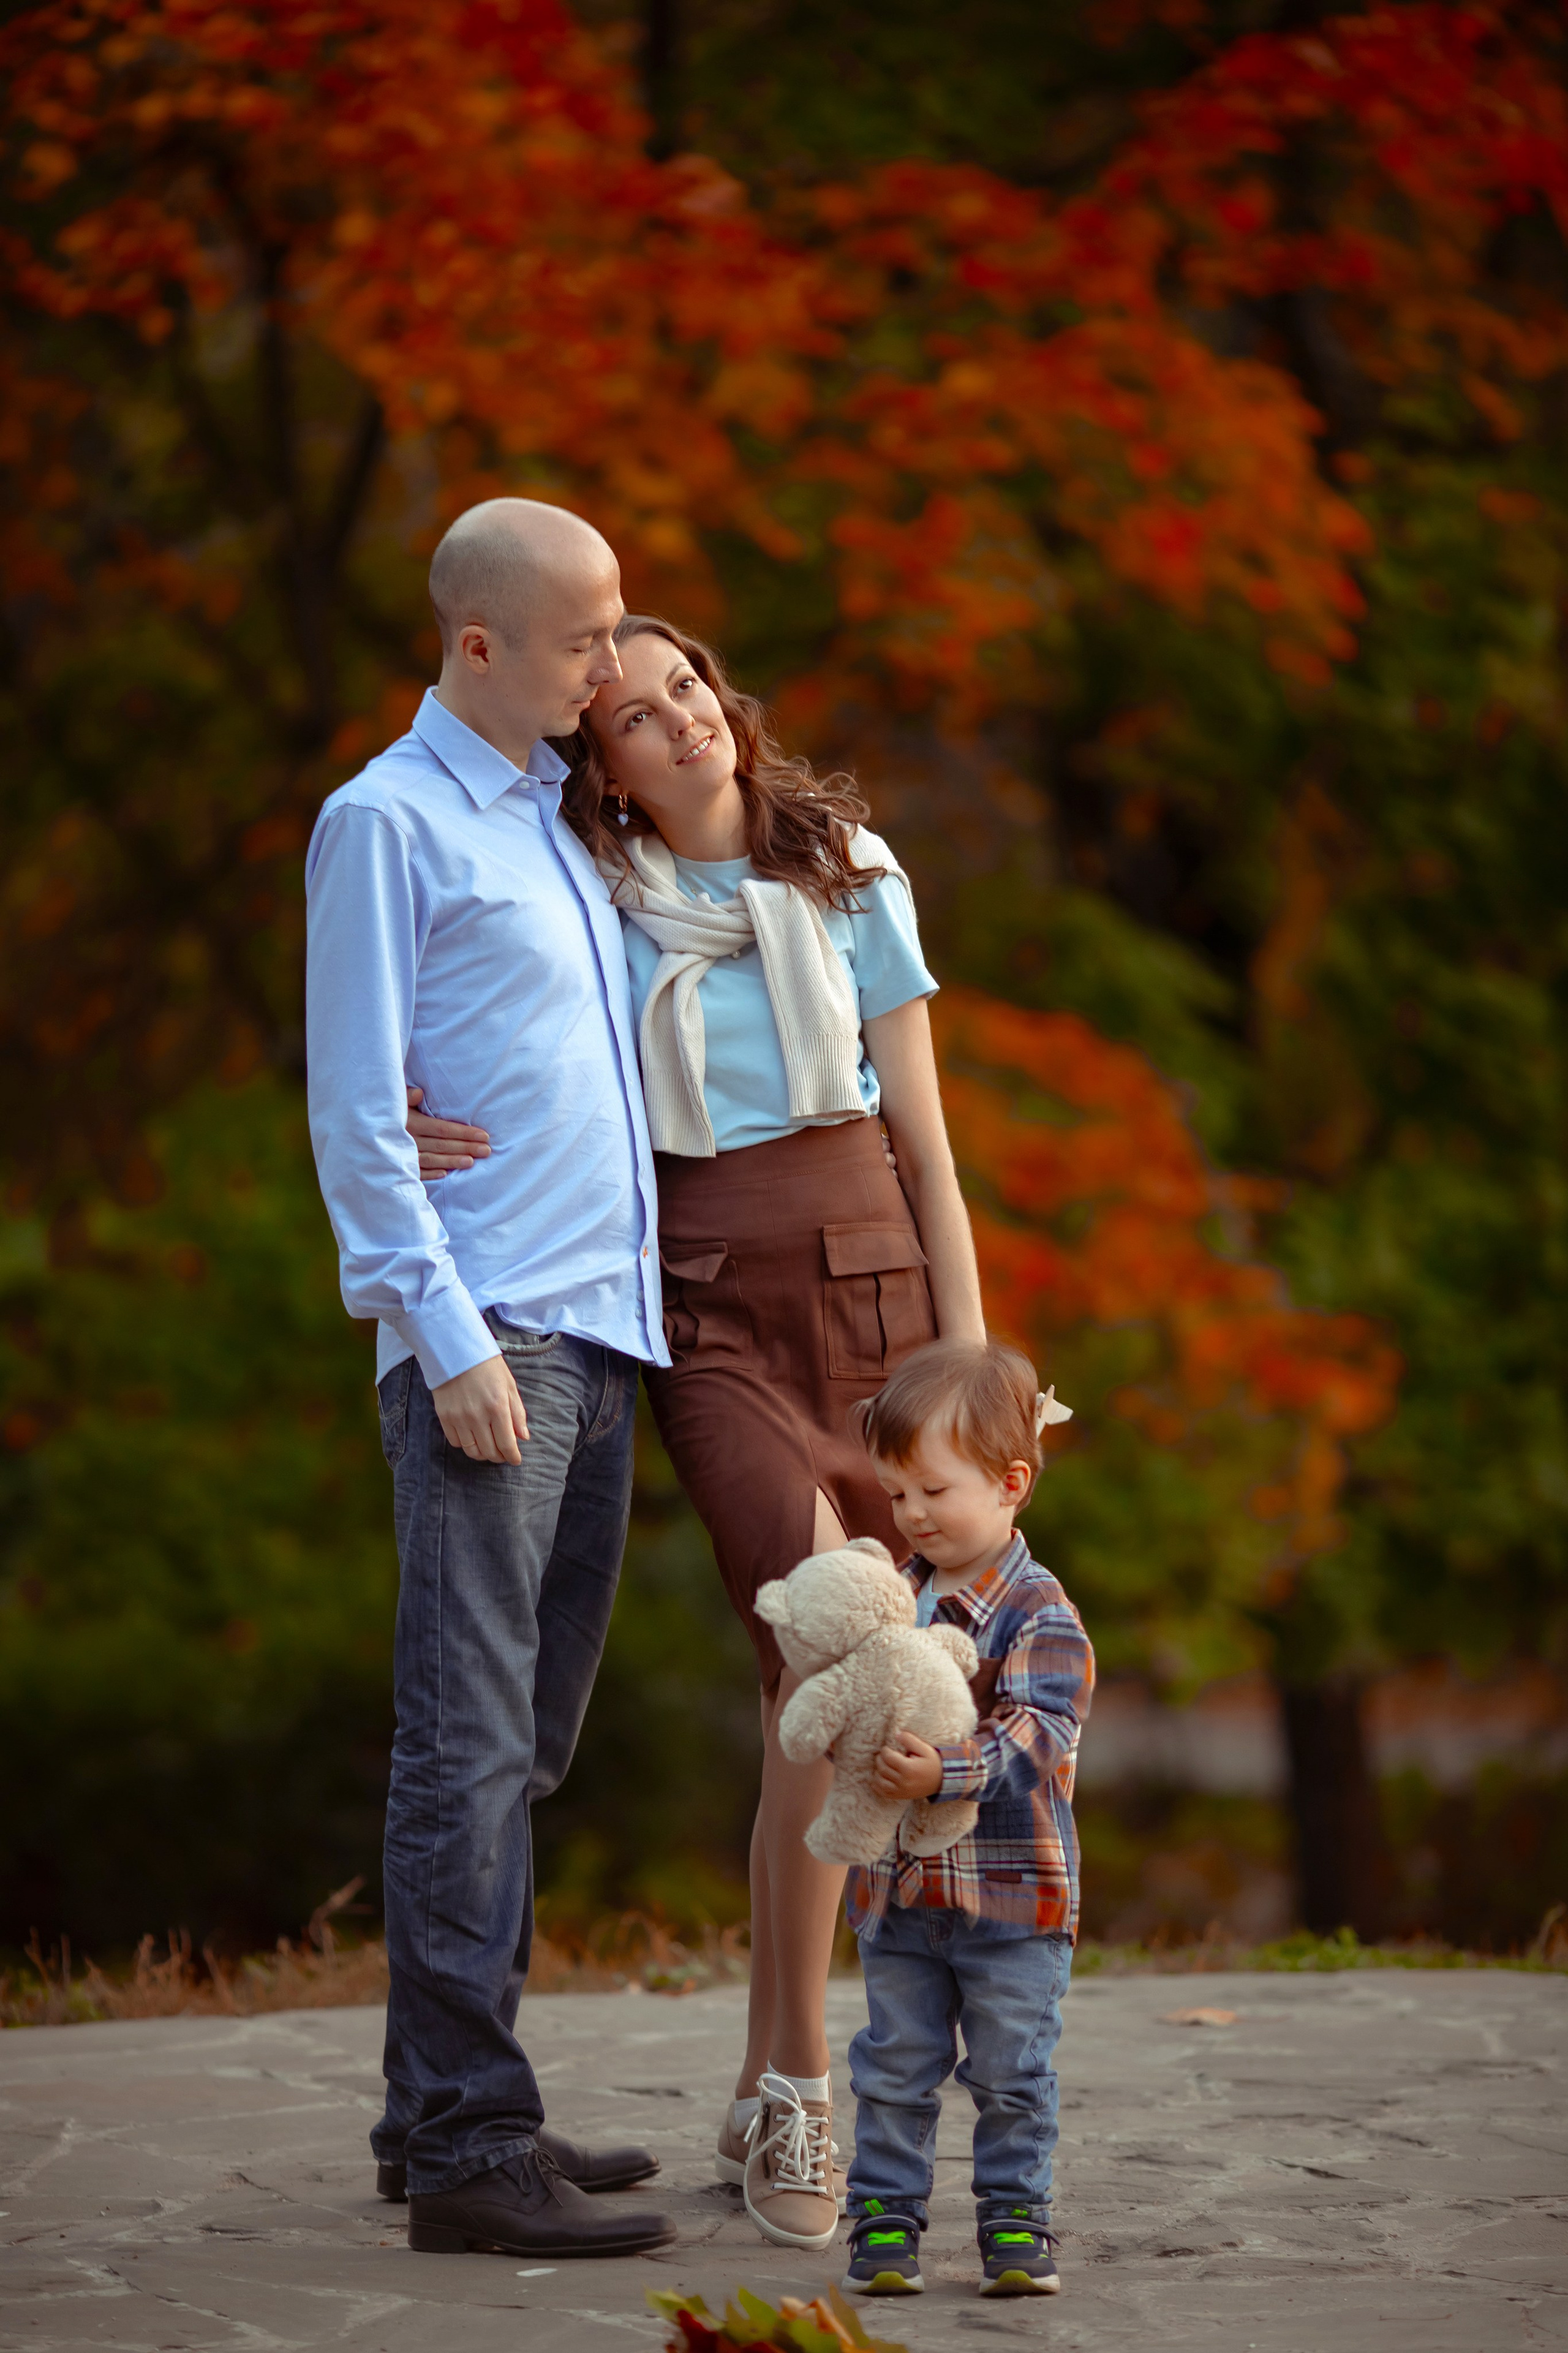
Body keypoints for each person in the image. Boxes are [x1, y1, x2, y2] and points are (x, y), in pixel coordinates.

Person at [408, 614, 987, 2254]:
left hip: (873, 1282)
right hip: (710, 1306)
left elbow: (929, 1153)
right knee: (841, 1659)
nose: (681, 725)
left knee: (799, 1708)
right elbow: (485, 1013)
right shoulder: (596, 904)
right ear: (603, 774)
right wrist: (387, 1100)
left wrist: (968, 1363)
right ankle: (809, 2078)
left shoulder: (854, 877)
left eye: (690, 692)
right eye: (638, 720)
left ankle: (763, 2079)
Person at [304, 499, 677, 2261]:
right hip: (493, 1338)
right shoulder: (387, 825)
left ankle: (424, 2104)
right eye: (589, 635)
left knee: (523, 1745)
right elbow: (356, 1113)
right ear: (478, 644)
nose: (612, 664)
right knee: (466, 1750)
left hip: (599, 1332)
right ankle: (470, 2138)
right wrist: (441, 1334)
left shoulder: (551, 820)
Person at [836, 1338, 1093, 2302]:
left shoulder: (1041, 1615)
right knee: (894, 2065)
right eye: (897, 1494)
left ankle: (1017, 2218)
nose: (911, 1515)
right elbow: (860, 1701)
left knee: (1010, 2072)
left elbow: (1036, 1740)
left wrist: (942, 1769)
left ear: (1011, 1482)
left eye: (933, 1492)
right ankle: (888, 2218)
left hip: (1012, 1904)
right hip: (899, 1897)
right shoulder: (893, 1600)